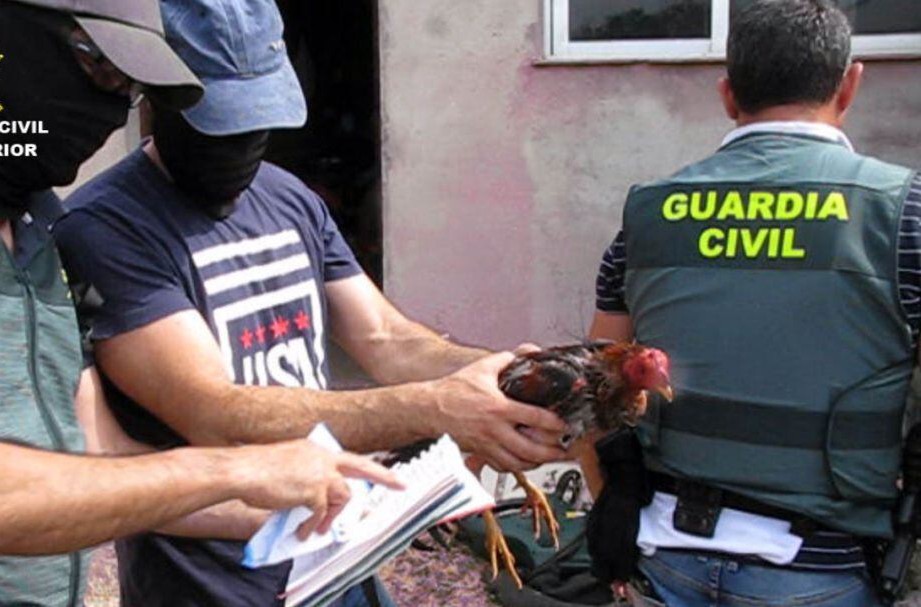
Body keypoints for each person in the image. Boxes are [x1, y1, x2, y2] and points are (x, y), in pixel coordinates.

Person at [0, 0, 400, 605]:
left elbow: (102, 452)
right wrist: (232, 468)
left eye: (129, 88)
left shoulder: (41, 226)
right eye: (102, 71)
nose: (110, 113)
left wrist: (313, 501)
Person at [53, 0, 570, 604]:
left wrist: (510, 379)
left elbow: (386, 339)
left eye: (258, 122)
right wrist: (438, 408)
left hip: (340, 562)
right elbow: (211, 410)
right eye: (221, 122)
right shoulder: (105, 228)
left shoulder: (289, 197)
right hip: (217, 586)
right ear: (156, 97)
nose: (243, 145)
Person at [588, 1, 920, 604]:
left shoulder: (647, 214)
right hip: (823, 567)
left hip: (666, 557)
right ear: (850, 84)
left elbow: (594, 392)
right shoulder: (905, 211)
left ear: (727, 94)